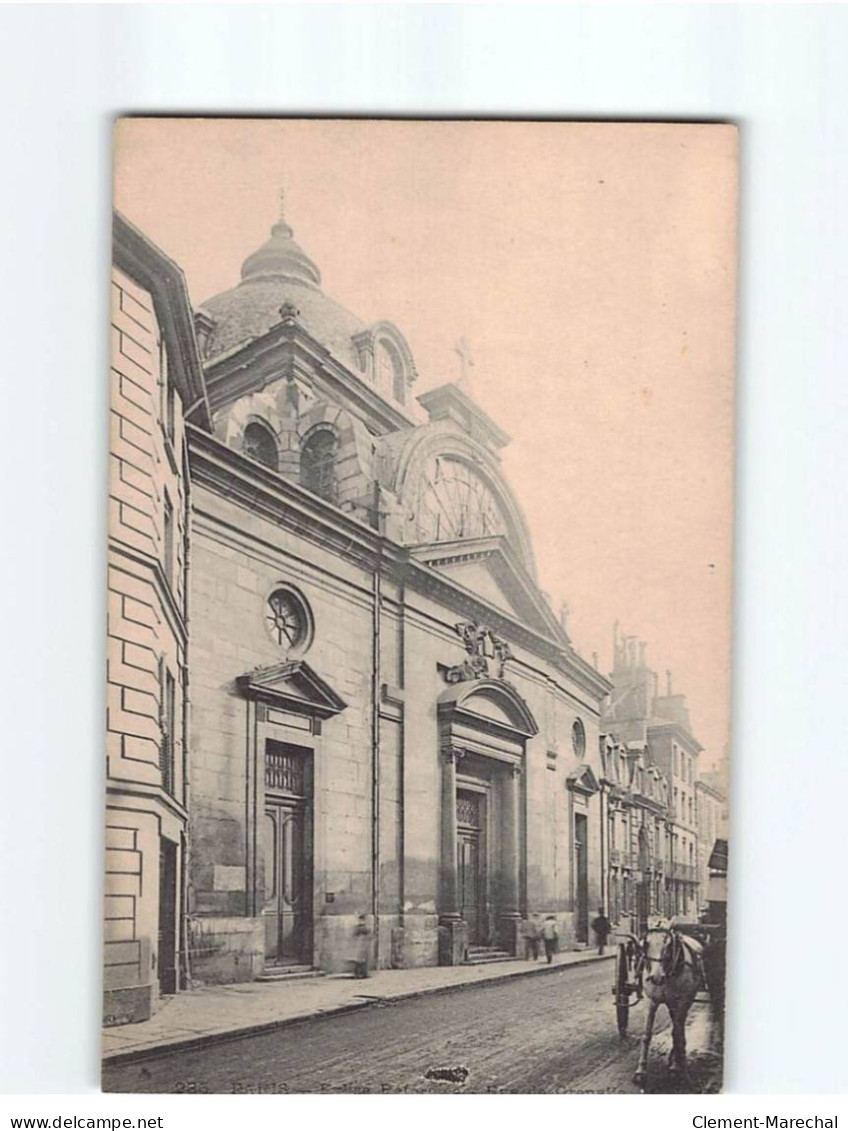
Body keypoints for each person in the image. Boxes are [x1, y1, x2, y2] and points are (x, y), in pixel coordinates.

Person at [352, 914, 372, 978]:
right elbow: (354, 936)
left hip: (364, 945)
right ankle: (356, 973)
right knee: (357, 961)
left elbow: (369, 935)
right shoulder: (357, 928)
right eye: (360, 920)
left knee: (364, 960)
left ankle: (364, 973)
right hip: (358, 945)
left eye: (363, 920)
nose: (361, 921)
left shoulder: (366, 928)